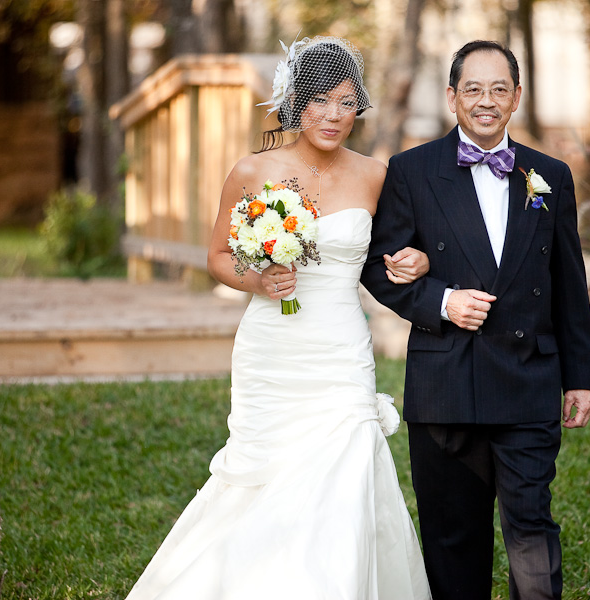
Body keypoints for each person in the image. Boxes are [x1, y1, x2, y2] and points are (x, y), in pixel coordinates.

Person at [124, 36, 432, 600]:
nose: (334, 115)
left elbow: (398, 251)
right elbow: (220, 256)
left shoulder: (374, 175)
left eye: (345, 101)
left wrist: (421, 259)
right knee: (262, 480)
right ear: (294, 102)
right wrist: (259, 280)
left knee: (348, 464)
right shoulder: (252, 170)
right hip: (273, 348)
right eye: (319, 100)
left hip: (339, 347)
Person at [361, 40, 590, 600]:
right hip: (447, 386)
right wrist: (442, 302)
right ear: (451, 97)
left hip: (528, 383)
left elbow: (568, 283)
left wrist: (581, 376)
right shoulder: (411, 171)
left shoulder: (551, 176)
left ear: (516, 97)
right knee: (453, 540)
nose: (485, 101)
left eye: (498, 89)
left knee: (531, 531)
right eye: (473, 88)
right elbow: (379, 268)